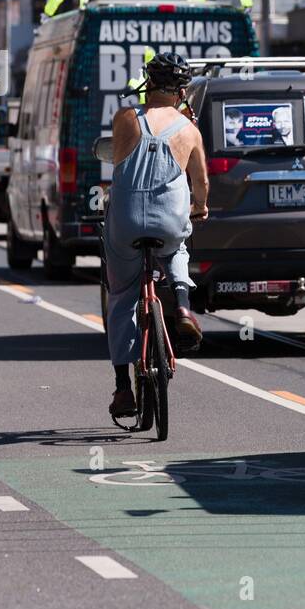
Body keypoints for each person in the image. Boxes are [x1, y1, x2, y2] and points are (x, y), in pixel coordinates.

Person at [103, 52, 208, 418]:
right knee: (178, 245)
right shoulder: (189, 129)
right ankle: (181, 304)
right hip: (168, 219)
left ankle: (122, 389)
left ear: (148, 84)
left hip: (127, 220)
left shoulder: (124, 117)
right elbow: (202, 182)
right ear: (182, 90)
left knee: (120, 297)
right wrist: (201, 207)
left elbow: (116, 161)